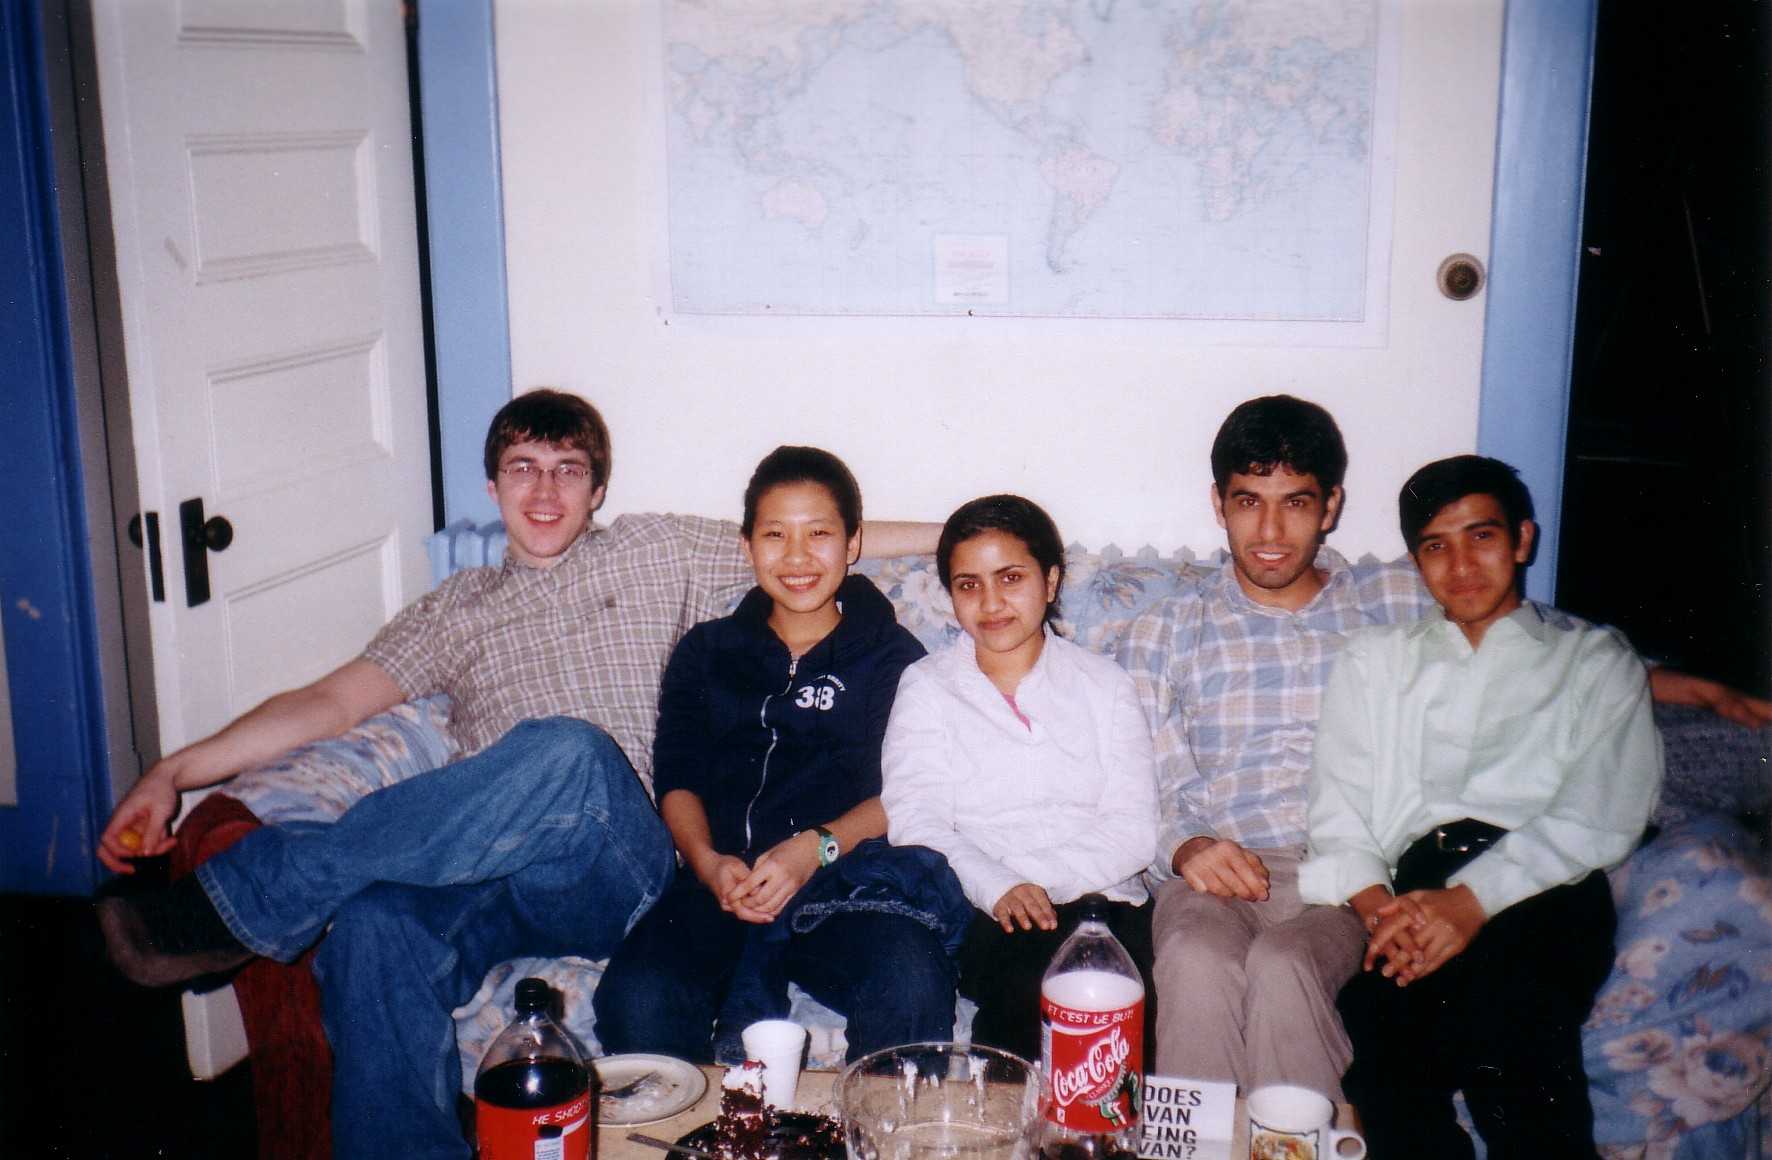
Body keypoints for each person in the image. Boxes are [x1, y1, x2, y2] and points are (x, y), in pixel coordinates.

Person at [92, 391, 928, 1159]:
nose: (546, 490)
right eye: (523, 467)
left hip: (620, 867)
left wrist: (968, 535)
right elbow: (329, 702)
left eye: (569, 470)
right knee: (378, 925)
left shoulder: (654, 550)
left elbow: (814, 534)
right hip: (491, 874)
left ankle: (249, 897)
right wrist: (174, 771)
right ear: (492, 486)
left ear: (597, 489)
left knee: (569, 750)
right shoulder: (454, 609)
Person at [1117, 394, 1772, 1100]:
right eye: (1248, 501)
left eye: (1296, 503)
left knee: (1286, 966)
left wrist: (1688, 687)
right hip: (1216, 869)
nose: (1270, 530)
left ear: (1331, 506)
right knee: (1194, 955)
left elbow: (1535, 644)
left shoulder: (1397, 597)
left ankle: (1299, 1140)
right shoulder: (1163, 631)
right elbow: (1135, 775)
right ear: (1218, 503)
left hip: (1344, 871)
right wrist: (1187, 845)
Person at [1299, 455, 1660, 1158]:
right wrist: (1382, 914)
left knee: (1510, 1020)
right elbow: (1336, 807)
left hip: (1542, 890)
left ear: (1522, 539)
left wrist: (1472, 902)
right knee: (1378, 1028)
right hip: (1413, 889)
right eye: (1436, 546)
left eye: (1482, 536)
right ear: (1416, 561)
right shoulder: (1375, 661)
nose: (1460, 565)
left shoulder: (1592, 661)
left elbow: (1602, 810)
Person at [592, 446, 959, 1063]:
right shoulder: (706, 651)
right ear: (747, 546)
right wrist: (708, 863)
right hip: (722, 884)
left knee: (911, 981)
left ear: (852, 543)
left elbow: (907, 789)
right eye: (775, 534)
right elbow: (677, 777)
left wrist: (814, 849)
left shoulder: (892, 657)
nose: (796, 557)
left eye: (818, 533)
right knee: (637, 1000)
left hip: (841, 885)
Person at [882, 495, 1158, 1062]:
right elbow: (915, 818)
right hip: (986, 905)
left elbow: (1132, 829)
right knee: (1021, 986)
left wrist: (1033, 880)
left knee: (1118, 994)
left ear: (1050, 581)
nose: (991, 603)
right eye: (969, 585)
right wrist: (999, 885)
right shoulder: (927, 686)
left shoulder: (1105, 685)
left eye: (1011, 578)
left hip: (1102, 897)